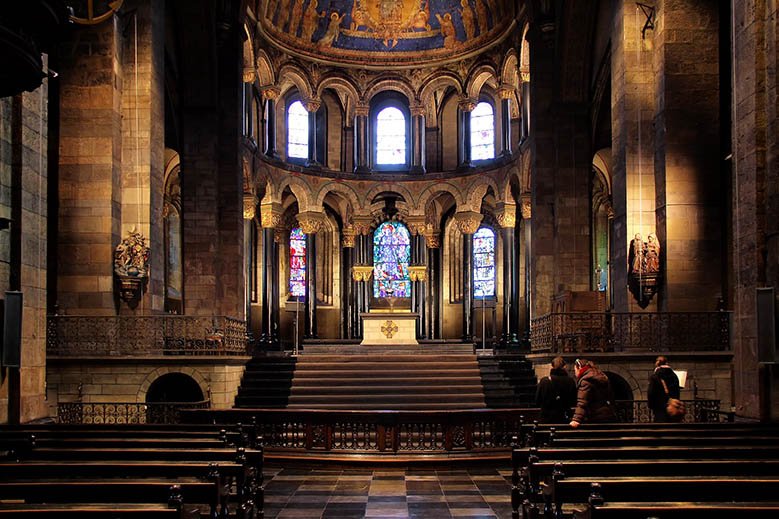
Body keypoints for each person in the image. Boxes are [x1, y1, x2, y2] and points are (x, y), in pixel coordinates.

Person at [569, 359, 616, 428]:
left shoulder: (586, 380)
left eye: (575, 370)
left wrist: (576, 419)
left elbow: (582, 402)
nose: (575, 373)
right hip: (608, 414)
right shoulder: (601, 376)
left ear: (579, 368)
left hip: (595, 417)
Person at [535, 356, 577, 423]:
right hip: (563, 417)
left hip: (546, 417)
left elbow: (537, 400)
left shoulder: (544, 381)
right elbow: (574, 401)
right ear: (564, 367)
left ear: (552, 367)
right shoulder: (570, 381)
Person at [647, 355, 681, 422]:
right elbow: (677, 390)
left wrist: (651, 405)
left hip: (659, 407)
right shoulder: (674, 375)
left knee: (661, 427)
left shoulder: (655, 376)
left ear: (658, 362)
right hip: (672, 407)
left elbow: (651, 392)